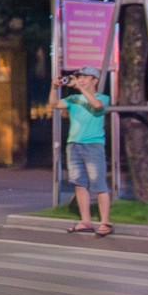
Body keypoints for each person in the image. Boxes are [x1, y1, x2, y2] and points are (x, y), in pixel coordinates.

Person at [52, 68, 112, 235]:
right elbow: (54, 104)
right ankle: (86, 221)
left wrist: (80, 88)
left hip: (93, 145)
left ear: (95, 80)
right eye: (79, 77)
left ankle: (105, 223)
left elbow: (97, 106)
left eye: (86, 77)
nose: (82, 79)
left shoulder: (103, 98)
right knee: (79, 184)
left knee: (99, 184)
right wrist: (54, 88)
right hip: (73, 145)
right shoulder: (73, 99)